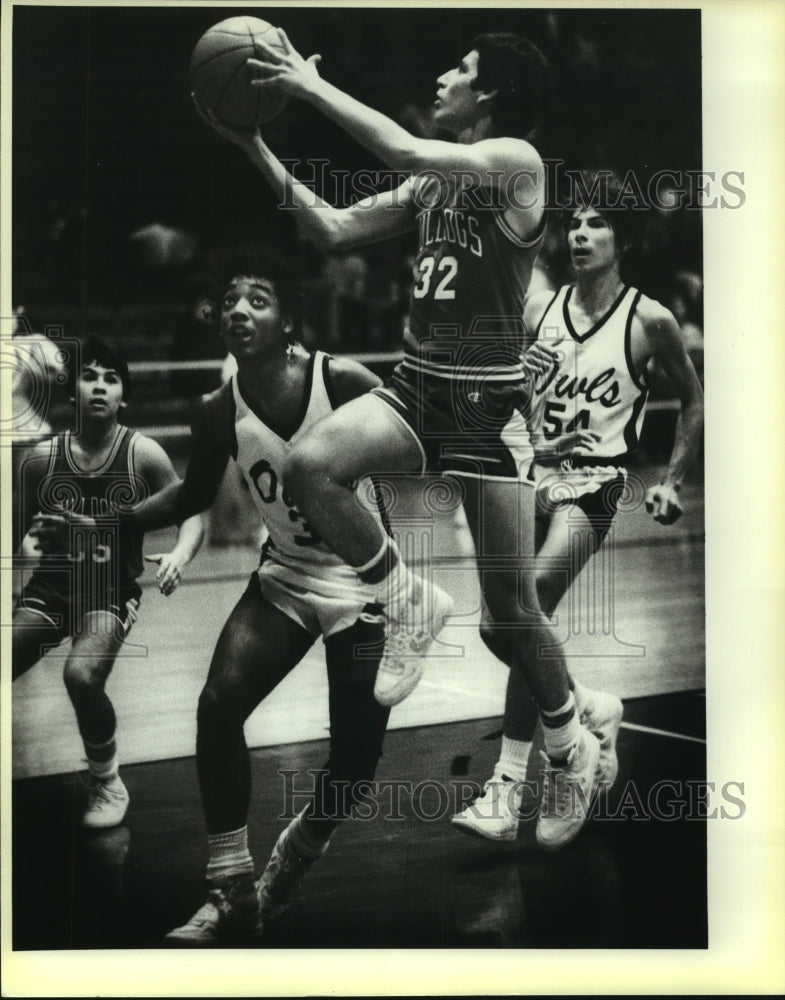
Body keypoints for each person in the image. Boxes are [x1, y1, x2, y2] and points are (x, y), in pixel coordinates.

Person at [196, 30, 602, 850]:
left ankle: (569, 740)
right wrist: (255, 143)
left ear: (489, 95)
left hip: (488, 409)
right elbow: (334, 229)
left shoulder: (514, 162)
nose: (443, 75)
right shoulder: (431, 187)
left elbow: (399, 140)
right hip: (419, 388)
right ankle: (406, 597)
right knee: (313, 466)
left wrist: (306, 88)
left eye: (459, 68)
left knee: (514, 613)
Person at [125, 249, 391, 945]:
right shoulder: (218, 409)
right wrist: (109, 521)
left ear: (288, 320)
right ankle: (233, 889)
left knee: (355, 766)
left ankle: (288, 867)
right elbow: (191, 496)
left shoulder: (343, 378)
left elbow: (418, 436)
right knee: (216, 707)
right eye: (232, 300)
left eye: (259, 300)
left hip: (364, 584)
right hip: (286, 576)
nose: (239, 311)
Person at [452, 170, 705, 840]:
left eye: (596, 223)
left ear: (622, 238)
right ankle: (589, 708)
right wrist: (529, 414)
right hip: (531, 476)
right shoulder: (540, 310)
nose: (580, 234)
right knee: (501, 626)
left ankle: (515, 785)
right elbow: (508, 407)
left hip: (595, 481)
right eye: (574, 224)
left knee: (524, 604)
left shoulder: (648, 319)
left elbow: (695, 398)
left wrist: (670, 479)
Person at [13, 336, 205, 828]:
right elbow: (10, 531)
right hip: (49, 592)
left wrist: (181, 553)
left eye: (112, 379)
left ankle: (106, 778)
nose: (100, 386)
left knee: (81, 676)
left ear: (125, 397)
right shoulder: (39, 460)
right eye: (90, 376)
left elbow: (192, 512)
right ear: (73, 391)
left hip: (109, 594)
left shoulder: (144, 454)